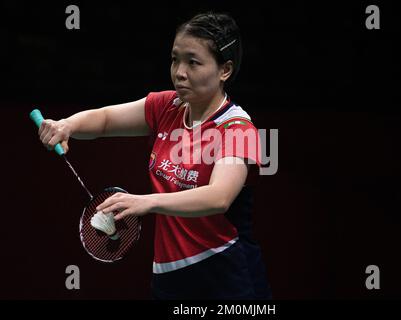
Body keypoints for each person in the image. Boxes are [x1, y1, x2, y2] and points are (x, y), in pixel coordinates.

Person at [38, 12, 272, 300]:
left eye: (193, 62)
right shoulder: (167, 106)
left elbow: (218, 197)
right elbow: (106, 120)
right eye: (175, 59)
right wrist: (67, 125)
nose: (180, 72)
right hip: (169, 277)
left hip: (226, 278)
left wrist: (146, 203)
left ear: (225, 70)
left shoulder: (238, 128)